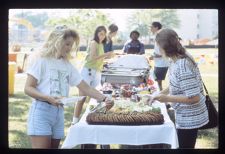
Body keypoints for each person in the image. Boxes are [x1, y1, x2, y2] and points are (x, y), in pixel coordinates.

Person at [24, 25, 114, 149]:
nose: (70, 48)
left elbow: (85, 88)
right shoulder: (42, 60)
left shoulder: (67, 65)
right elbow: (28, 88)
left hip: (59, 113)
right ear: (56, 42)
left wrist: (104, 98)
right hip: (41, 112)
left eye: (71, 45)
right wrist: (48, 98)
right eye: (67, 44)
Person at [149, 28, 209, 148]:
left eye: (158, 46)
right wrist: (158, 94)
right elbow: (177, 85)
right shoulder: (176, 59)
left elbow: (194, 98)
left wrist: (166, 98)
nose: (158, 49)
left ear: (165, 46)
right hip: (185, 115)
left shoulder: (182, 65)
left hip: (190, 118)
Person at [73, 26, 115, 125]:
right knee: (82, 97)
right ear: (96, 34)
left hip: (97, 72)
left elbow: (99, 59)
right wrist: (106, 54)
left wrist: (108, 59)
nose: (102, 36)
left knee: (97, 97)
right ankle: (74, 122)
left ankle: (95, 120)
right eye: (100, 34)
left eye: (104, 34)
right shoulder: (93, 43)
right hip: (88, 71)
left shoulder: (101, 44)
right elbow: (92, 57)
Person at [149, 22, 170, 91]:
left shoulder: (160, 37)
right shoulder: (157, 36)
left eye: (151, 27)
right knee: (157, 84)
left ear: (156, 27)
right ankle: (161, 97)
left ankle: (161, 99)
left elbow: (165, 52)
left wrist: (154, 56)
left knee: (158, 84)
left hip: (162, 64)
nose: (150, 29)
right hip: (159, 63)